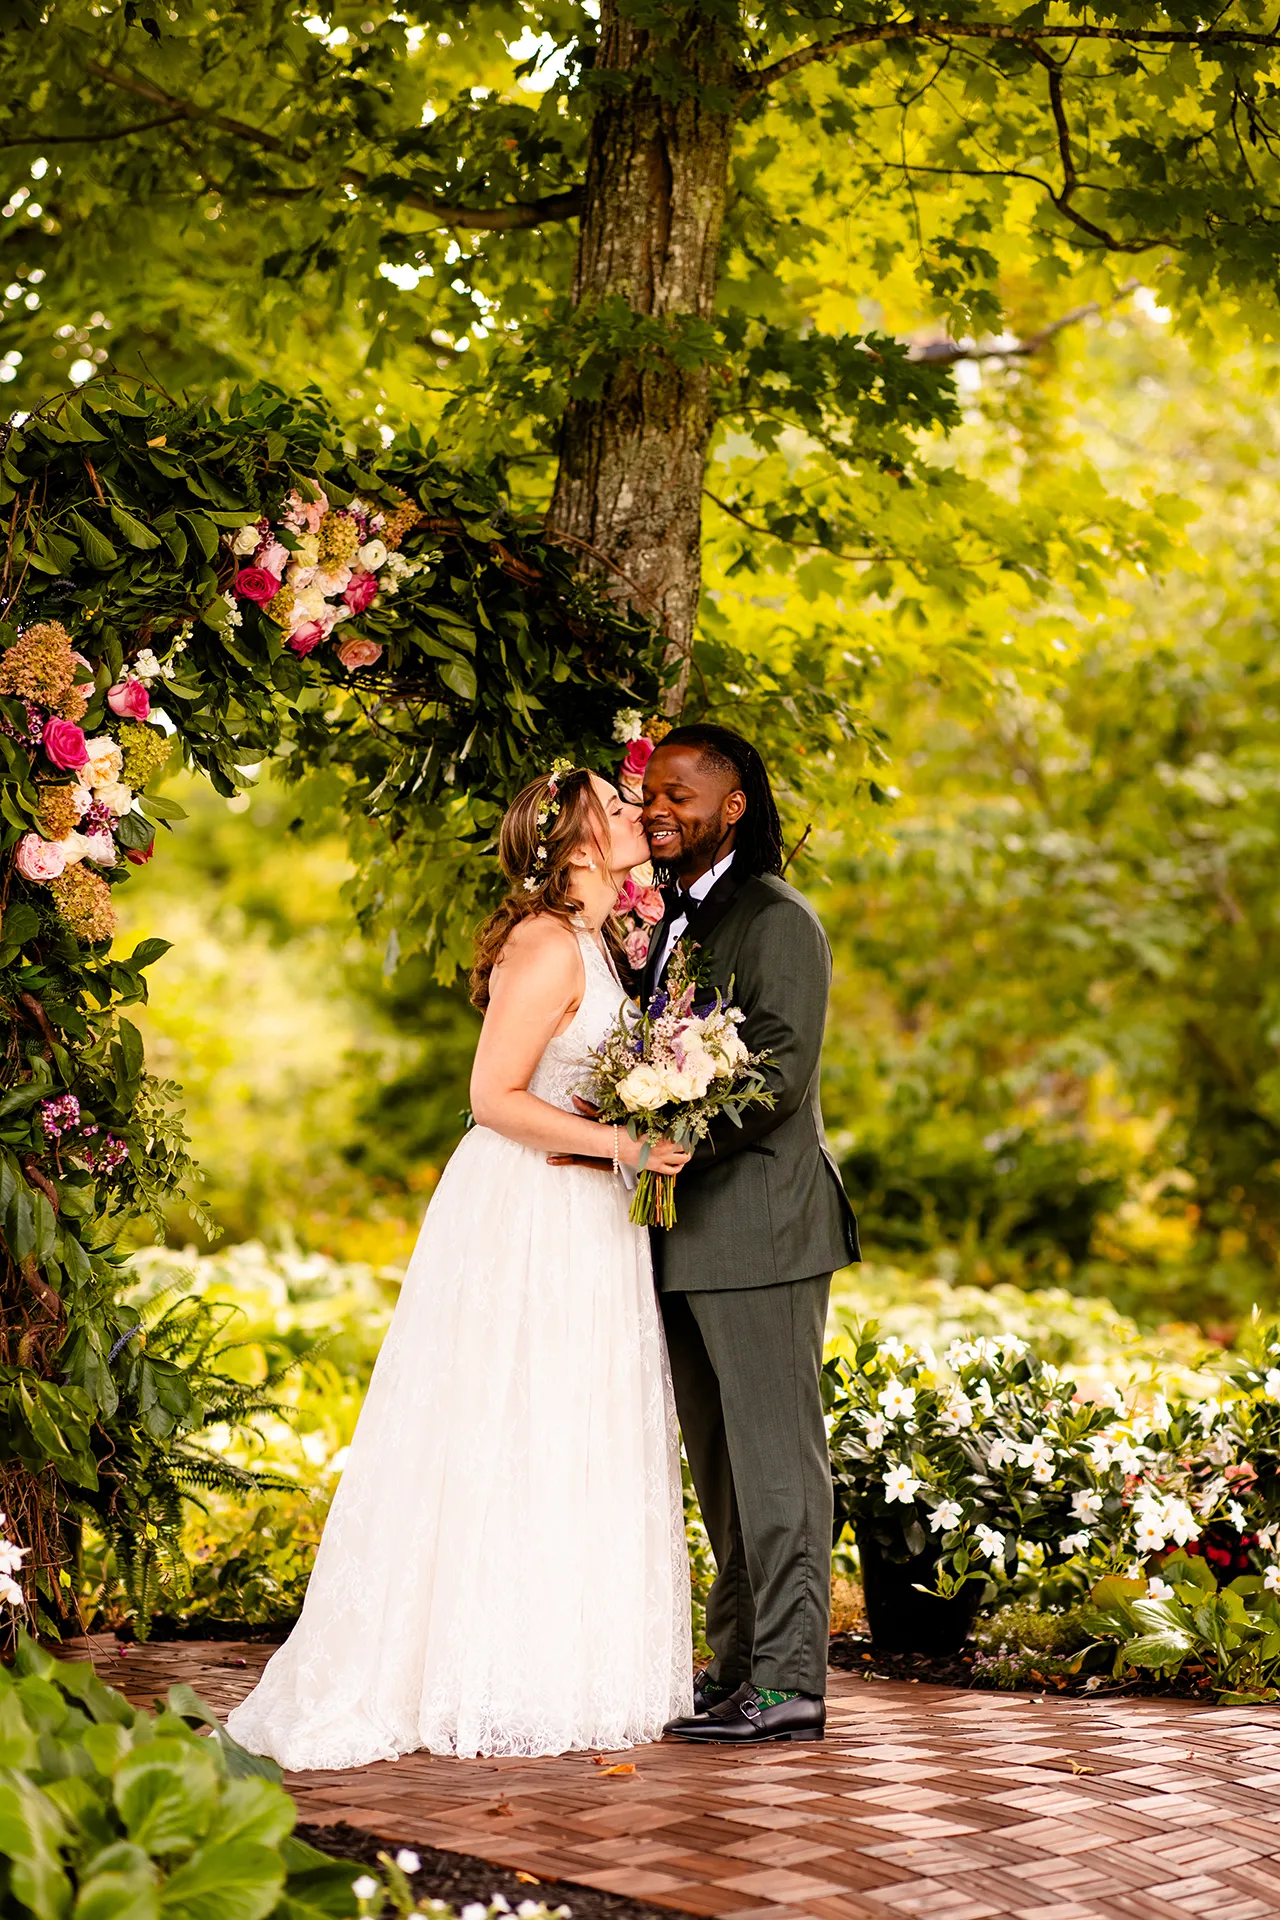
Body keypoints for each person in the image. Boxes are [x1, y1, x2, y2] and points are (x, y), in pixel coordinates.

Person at [225, 767, 693, 1766]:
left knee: (561, 1430)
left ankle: (545, 1663)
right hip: (528, 1211)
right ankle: (461, 1671)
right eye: (615, 807)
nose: (636, 813)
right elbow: (492, 1096)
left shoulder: (602, 944)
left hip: (582, 1215)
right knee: (504, 1423)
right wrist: (625, 1146)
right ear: (573, 845)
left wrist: (635, 1125)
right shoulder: (542, 942)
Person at [601, 723, 860, 1745]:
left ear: (734, 804)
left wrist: (659, 1131)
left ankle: (789, 1684)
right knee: (720, 1470)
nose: (658, 808)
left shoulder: (775, 919)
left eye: (680, 794)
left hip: (757, 1231)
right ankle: (736, 1670)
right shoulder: (672, 919)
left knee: (776, 1466)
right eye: (648, 794)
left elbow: (778, 1072)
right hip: (681, 1236)